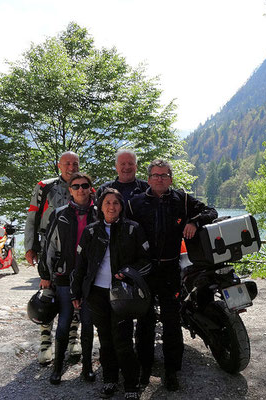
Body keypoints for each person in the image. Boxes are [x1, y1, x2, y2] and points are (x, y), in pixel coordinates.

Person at [127, 159, 218, 391]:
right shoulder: (134, 203)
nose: (160, 179)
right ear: (148, 178)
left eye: (164, 175)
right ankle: (144, 368)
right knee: (145, 322)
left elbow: (211, 211)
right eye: (155, 175)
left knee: (171, 322)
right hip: (144, 271)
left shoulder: (182, 199)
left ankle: (171, 370)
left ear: (171, 178)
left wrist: (195, 222)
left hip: (169, 269)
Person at [71, 188, 149, 400]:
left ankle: (131, 384)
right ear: (100, 206)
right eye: (107, 203)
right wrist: (75, 292)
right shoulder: (90, 231)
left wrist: (127, 273)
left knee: (122, 339)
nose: (112, 206)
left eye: (116, 203)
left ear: (121, 206)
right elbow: (81, 265)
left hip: (122, 295)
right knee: (105, 339)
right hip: (96, 294)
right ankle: (110, 379)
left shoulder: (133, 229)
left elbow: (145, 260)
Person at [24, 151, 82, 364]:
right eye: (67, 163)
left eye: (75, 163)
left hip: (76, 249)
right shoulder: (44, 187)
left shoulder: (85, 187)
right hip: (48, 248)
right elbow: (32, 217)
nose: (71, 167)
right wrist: (30, 247)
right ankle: (45, 342)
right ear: (59, 165)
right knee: (47, 293)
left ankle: (73, 339)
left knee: (76, 294)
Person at [39, 172, 96, 384]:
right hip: (65, 275)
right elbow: (49, 246)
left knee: (88, 323)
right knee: (63, 322)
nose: (81, 189)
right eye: (76, 186)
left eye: (84, 185)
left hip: (91, 278)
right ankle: (58, 368)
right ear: (69, 190)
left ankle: (88, 368)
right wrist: (45, 274)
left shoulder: (99, 213)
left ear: (91, 188)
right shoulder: (60, 214)